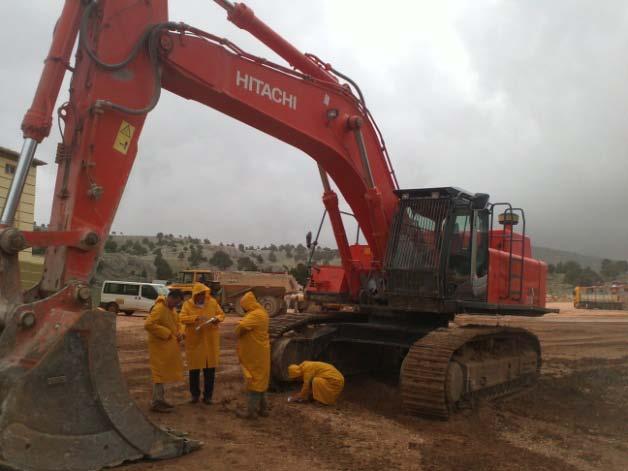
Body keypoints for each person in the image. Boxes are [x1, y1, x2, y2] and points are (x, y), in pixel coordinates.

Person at [179, 282, 225, 404]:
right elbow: (181, 318)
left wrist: (217, 319)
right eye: (199, 295)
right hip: (195, 342)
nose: (202, 297)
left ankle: (208, 397)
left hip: (210, 342)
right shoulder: (187, 305)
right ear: (195, 295)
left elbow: (221, 314)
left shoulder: (212, 303)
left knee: (210, 372)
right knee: (194, 371)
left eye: (203, 294)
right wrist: (194, 318)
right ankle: (195, 395)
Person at [144, 289, 185, 413]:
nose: (176, 305)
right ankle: (156, 403)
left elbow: (178, 323)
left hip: (166, 348)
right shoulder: (159, 308)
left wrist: (180, 333)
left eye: (178, 304)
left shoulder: (171, 310)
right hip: (158, 348)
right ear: (171, 297)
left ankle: (160, 400)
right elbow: (148, 325)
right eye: (176, 302)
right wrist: (167, 333)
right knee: (159, 374)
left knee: (162, 374)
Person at [235, 291, 270, 419]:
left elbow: (241, 327)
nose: (243, 309)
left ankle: (251, 412)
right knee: (261, 380)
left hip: (255, 353)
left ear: (247, 304)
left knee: (254, 380)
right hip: (260, 352)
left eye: (243, 306)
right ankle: (263, 409)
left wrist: (238, 329)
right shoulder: (261, 313)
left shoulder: (255, 315)